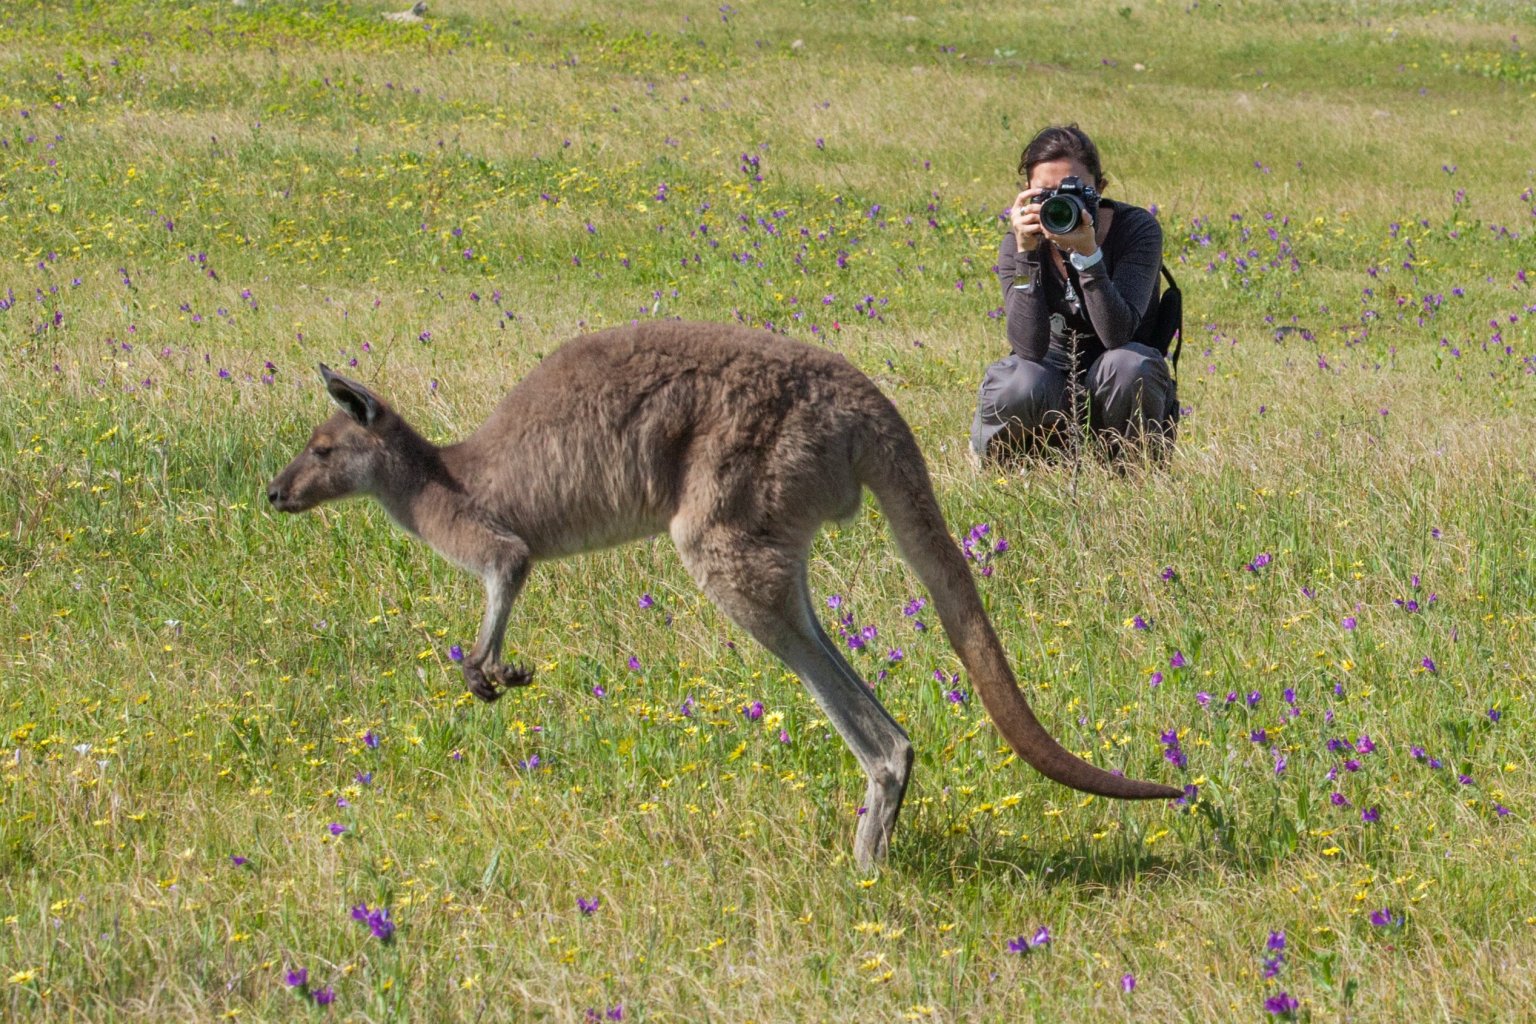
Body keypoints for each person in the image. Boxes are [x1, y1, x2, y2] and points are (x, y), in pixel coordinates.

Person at [970, 124, 1175, 464]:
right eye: (1045, 194)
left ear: (1101, 189)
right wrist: (1026, 256)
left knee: (1128, 364)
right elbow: (1027, 347)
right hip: (1048, 380)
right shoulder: (1020, 243)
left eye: (1075, 191)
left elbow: (1117, 335)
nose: (1061, 205)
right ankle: (1006, 468)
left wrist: (1089, 257)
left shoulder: (1136, 230)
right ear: (1026, 194)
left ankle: (1133, 470)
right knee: (1019, 380)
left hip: (1113, 379)